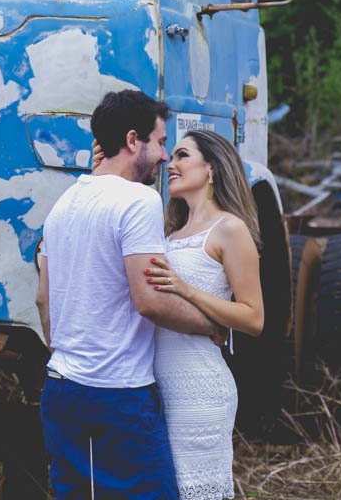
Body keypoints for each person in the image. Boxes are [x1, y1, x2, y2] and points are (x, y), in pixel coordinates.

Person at [36, 90, 222, 499]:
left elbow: (42, 301)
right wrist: (211, 324)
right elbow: (151, 301)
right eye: (158, 143)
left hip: (61, 385)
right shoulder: (138, 200)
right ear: (133, 140)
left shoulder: (63, 204)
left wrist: (68, 355)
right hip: (117, 393)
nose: (163, 157)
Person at [143, 129, 264, 500]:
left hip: (200, 391)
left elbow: (253, 317)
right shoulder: (171, 232)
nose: (171, 164)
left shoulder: (230, 228)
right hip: (159, 388)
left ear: (211, 168)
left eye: (182, 155)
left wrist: (186, 289)